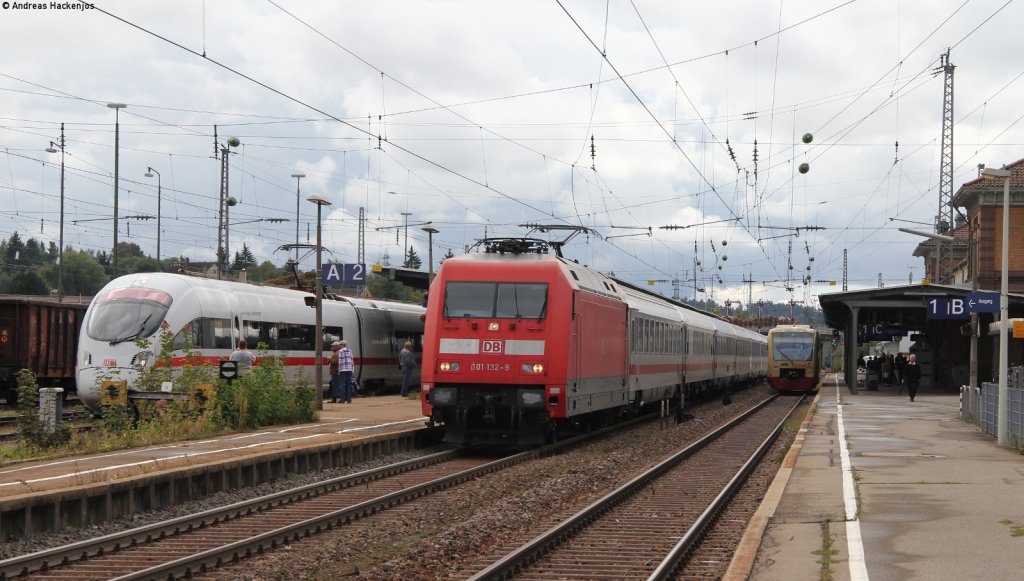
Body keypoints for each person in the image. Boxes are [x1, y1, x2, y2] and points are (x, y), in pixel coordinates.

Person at [337, 339, 354, 403]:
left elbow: (340, 361)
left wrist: (339, 370)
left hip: (343, 370)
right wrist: (352, 370)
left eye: (340, 344)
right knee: (348, 385)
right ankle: (349, 399)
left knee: (342, 385)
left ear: (342, 345)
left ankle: (342, 399)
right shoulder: (350, 351)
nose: (339, 345)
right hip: (349, 370)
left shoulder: (340, 351)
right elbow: (352, 361)